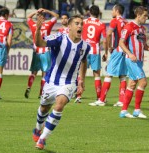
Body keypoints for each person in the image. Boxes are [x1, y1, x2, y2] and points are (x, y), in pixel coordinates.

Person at [32, 14, 90, 150]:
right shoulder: (59, 38)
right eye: (77, 23)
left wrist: (81, 80)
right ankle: (37, 128)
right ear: (69, 26)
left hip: (69, 82)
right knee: (44, 108)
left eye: (81, 23)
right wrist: (38, 29)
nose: (80, 26)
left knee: (59, 105)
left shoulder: (86, 46)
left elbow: (84, 61)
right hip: (52, 81)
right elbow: (40, 43)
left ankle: (42, 139)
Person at [119, 6, 149, 118]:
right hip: (131, 60)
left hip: (139, 60)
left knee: (132, 84)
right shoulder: (129, 27)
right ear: (138, 15)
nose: (146, 18)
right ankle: (137, 110)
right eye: (145, 16)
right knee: (143, 82)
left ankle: (123, 111)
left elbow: (145, 46)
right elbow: (121, 43)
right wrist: (130, 54)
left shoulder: (142, 29)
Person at [88, 4, 128, 107]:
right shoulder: (126, 21)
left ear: (116, 10)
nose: (111, 12)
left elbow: (109, 33)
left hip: (118, 49)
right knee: (122, 75)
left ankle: (101, 100)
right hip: (125, 50)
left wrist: (110, 47)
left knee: (109, 73)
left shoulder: (114, 20)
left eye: (112, 10)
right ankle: (122, 100)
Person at [24, 8, 59, 99]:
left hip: (36, 51)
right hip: (45, 51)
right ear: (44, 18)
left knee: (33, 72)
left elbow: (28, 17)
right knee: (45, 73)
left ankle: (29, 87)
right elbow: (56, 16)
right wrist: (46, 10)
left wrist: (36, 12)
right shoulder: (47, 24)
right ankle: (41, 93)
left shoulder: (33, 25)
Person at [77, 5, 107, 103]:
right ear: (98, 13)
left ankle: (78, 96)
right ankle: (99, 98)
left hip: (84, 50)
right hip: (95, 51)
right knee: (97, 74)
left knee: (81, 73)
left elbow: (77, 34)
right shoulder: (101, 24)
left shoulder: (84, 22)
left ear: (89, 12)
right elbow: (105, 40)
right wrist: (106, 52)